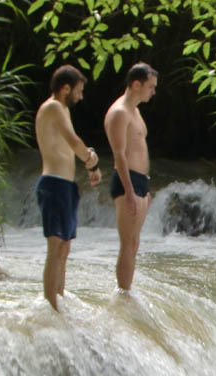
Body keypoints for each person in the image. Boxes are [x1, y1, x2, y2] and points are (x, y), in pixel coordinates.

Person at [35, 64, 101, 311]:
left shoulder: (60, 108)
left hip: (63, 185)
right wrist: (90, 159)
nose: (81, 96)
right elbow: (74, 141)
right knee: (55, 247)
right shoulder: (54, 107)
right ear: (65, 88)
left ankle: (58, 302)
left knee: (63, 248)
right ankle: (51, 307)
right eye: (79, 90)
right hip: (53, 185)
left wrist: (90, 165)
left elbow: (69, 145)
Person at [105, 62, 158, 293]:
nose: (153, 92)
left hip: (140, 181)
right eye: (150, 87)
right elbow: (119, 155)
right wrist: (128, 192)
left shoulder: (135, 111)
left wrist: (144, 189)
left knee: (134, 243)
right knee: (127, 243)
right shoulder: (119, 113)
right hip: (127, 181)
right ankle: (123, 292)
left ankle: (127, 290)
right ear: (136, 84)